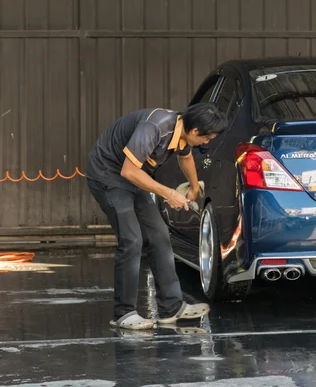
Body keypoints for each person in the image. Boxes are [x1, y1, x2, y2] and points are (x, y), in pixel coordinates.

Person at [85, 103, 228, 330]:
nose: (209, 141)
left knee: (160, 236)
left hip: (134, 176)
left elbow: (185, 157)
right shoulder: (155, 127)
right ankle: (124, 313)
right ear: (194, 131)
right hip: (108, 175)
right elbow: (128, 171)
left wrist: (193, 187)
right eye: (208, 137)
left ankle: (171, 307)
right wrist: (168, 193)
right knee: (132, 240)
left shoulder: (181, 131)